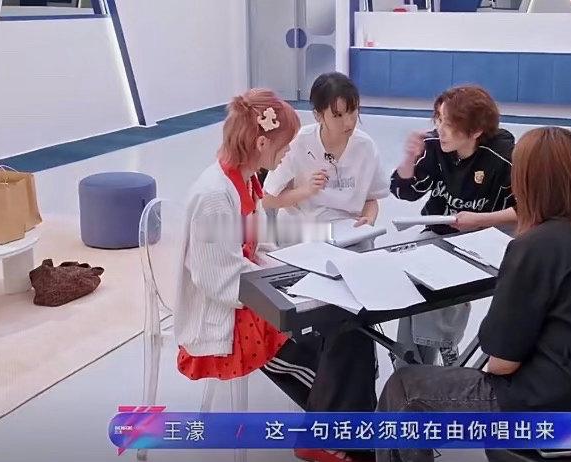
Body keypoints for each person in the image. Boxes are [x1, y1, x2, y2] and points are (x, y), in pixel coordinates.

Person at [375, 126, 571, 462]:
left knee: (404, 388)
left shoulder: (533, 247)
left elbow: (501, 363)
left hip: (555, 412)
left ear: (527, 183)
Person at [175, 89, 376, 462]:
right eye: (285, 146)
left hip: (253, 293)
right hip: (232, 318)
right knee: (338, 355)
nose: (289, 153)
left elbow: (256, 246)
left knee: (352, 327)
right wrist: (289, 286)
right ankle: (332, 438)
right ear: (261, 142)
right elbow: (219, 280)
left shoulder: (245, 179)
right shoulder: (214, 196)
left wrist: (293, 270)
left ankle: (347, 435)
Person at [390, 85, 516, 366]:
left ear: (476, 131)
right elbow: (403, 191)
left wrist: (479, 220)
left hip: (487, 237)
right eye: (438, 119)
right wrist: (409, 158)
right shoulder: (435, 145)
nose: (440, 129)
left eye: (448, 123)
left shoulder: (503, 155)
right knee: (413, 271)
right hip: (442, 230)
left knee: (439, 275)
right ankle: (420, 356)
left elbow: (526, 210)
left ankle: (419, 357)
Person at [263, 72, 390, 246]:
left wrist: (368, 220)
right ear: (318, 115)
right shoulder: (298, 143)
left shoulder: (365, 147)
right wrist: (306, 191)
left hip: (349, 233)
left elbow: (370, 199)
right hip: (304, 232)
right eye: (338, 115)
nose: (348, 122)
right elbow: (268, 200)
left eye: (352, 111)